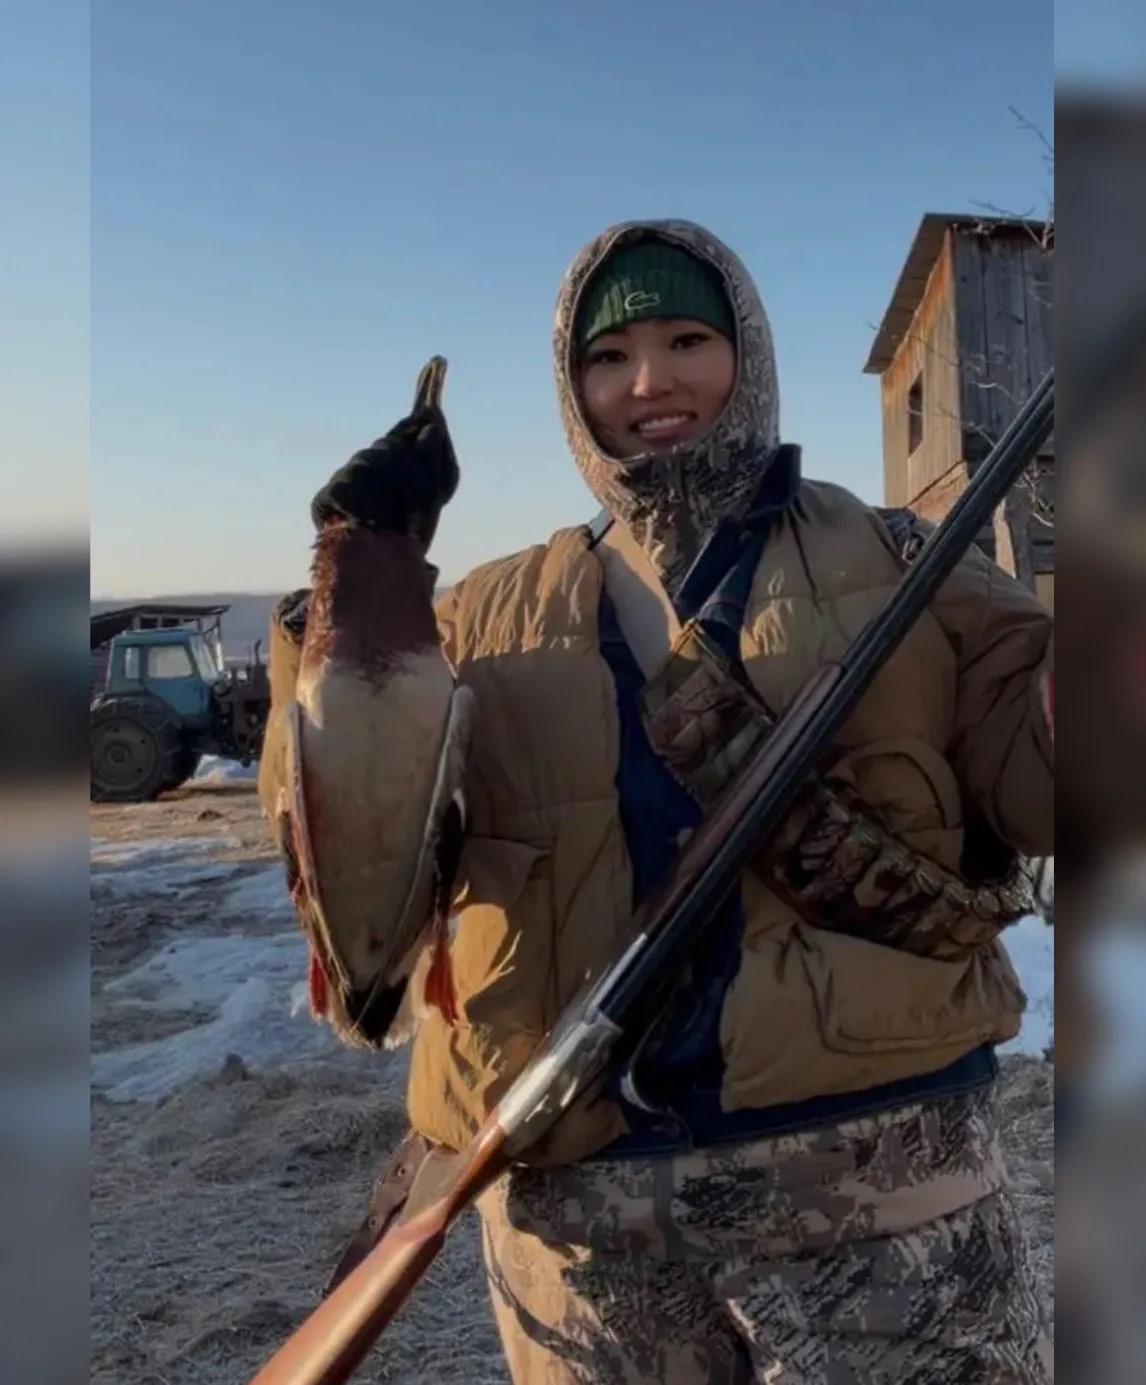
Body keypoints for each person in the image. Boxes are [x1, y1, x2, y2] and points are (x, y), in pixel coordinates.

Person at [260, 219, 1055, 1383]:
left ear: (750, 352)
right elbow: (358, 886)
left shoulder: (907, 562)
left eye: (688, 339)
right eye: (608, 356)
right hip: (579, 1234)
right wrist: (356, 574)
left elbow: (1058, 785)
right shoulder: (482, 615)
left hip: (883, 1195)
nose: (650, 382)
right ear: (570, 385)